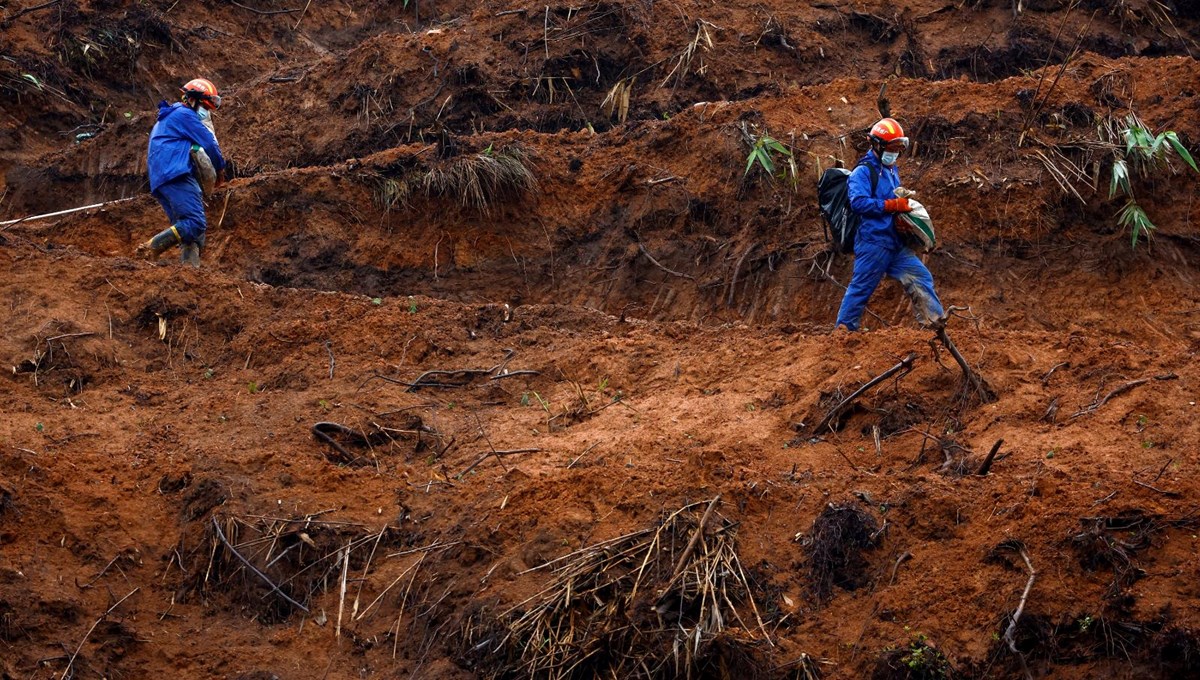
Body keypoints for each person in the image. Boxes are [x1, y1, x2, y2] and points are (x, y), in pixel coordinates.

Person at [834, 117, 944, 331]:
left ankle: (934, 327)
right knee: (861, 289)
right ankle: (843, 333)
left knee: (920, 276)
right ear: (876, 144)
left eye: (898, 148)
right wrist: (893, 205)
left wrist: (901, 219)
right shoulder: (863, 172)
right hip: (874, 242)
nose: (895, 153)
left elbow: (892, 201)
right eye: (891, 147)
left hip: (894, 242)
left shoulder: (892, 169)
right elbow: (858, 203)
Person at [137, 78, 226, 267]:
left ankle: (190, 272)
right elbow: (208, 143)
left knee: (190, 231)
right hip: (176, 174)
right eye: (205, 107)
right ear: (193, 100)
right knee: (195, 222)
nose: (206, 113)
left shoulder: (168, 118)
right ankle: (151, 248)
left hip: (161, 179)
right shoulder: (185, 115)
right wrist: (220, 169)